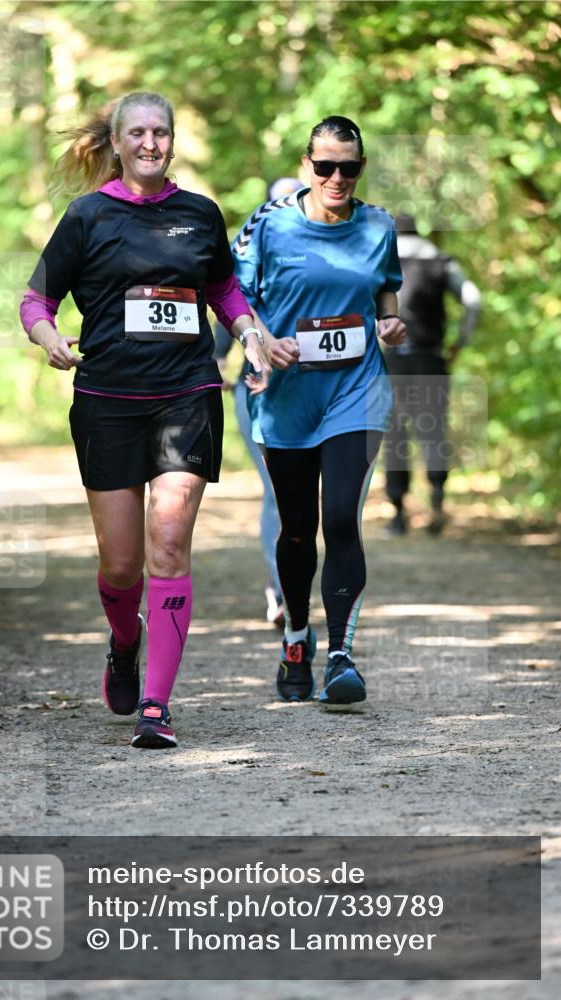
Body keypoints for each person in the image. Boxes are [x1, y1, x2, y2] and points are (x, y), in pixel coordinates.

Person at [19, 92, 270, 749]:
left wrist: (248, 330)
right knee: (122, 565)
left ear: (173, 141)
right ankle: (124, 639)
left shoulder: (200, 213)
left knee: (169, 540)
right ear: (117, 142)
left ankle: (156, 706)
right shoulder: (88, 216)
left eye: (161, 132)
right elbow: (36, 299)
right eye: (137, 133)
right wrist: (48, 337)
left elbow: (222, 287)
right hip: (107, 399)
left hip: (186, 392)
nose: (150, 143)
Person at [232, 115, 406, 707]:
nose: (337, 178)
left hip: (358, 391)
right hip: (286, 397)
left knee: (340, 518)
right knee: (297, 529)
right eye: (325, 166)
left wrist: (390, 321)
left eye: (348, 168)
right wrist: (261, 341)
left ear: (361, 168)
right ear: (307, 165)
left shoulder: (378, 225)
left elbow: (385, 287)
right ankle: (295, 638)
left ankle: (340, 657)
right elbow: (233, 297)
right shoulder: (270, 225)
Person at [214, 177, 303, 628]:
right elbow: (226, 303)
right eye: (276, 201)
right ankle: (282, 586)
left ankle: (300, 581)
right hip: (258, 390)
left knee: (309, 496)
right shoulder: (250, 248)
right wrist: (217, 360)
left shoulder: (324, 246)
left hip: (316, 392)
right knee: (277, 489)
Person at [383, 214, 481, 535]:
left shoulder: (382, 260)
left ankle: (398, 512)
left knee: (395, 433)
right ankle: (437, 497)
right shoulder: (440, 261)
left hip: (393, 361)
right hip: (431, 357)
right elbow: (473, 300)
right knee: (433, 430)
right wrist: (459, 343)